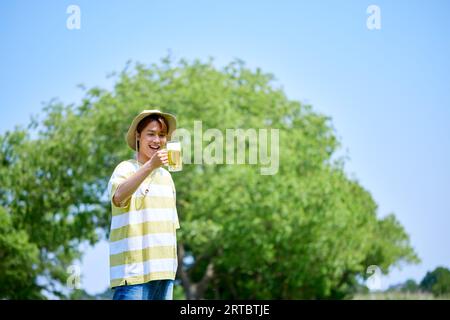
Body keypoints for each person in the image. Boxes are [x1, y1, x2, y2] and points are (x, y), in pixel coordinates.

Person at [107, 109, 180, 300]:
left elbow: (171, 228)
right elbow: (118, 197)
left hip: (164, 274)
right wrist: (151, 165)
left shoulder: (166, 177)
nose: (157, 140)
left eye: (162, 135)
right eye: (151, 134)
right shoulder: (126, 168)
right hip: (133, 274)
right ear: (138, 136)